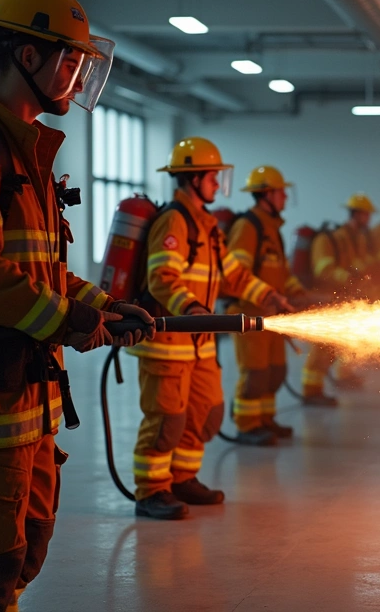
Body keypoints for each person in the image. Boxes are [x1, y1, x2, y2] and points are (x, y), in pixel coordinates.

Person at [0, 0, 154, 610]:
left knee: (17, 558)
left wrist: (100, 305)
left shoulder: (29, 153)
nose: (74, 76)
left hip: (25, 409)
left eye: (78, 64)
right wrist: (69, 321)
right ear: (25, 57)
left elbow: (41, 271)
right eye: (67, 61)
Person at [126, 137, 292, 520]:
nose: (218, 183)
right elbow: (162, 279)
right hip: (168, 343)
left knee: (206, 413)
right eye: (213, 176)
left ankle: (183, 479)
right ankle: (151, 491)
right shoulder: (174, 221)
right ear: (192, 178)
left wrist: (270, 297)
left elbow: (232, 274)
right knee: (167, 419)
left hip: (199, 345)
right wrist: (194, 311)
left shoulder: (209, 226)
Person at [227, 165, 308, 446]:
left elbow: (282, 272)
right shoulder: (248, 227)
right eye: (281, 192)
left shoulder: (273, 230)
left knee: (275, 372)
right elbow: (237, 274)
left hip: (273, 316)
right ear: (267, 195)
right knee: (255, 374)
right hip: (249, 316)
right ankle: (247, 425)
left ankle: (265, 419)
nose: (285, 197)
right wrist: (267, 297)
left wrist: (299, 295)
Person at [300, 192, 376, 404]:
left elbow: (356, 264)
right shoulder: (331, 238)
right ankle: (310, 391)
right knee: (321, 347)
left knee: (331, 347)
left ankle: (317, 389)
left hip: (340, 299)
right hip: (323, 298)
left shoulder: (356, 239)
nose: (369, 219)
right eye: (366, 214)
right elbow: (323, 269)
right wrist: (348, 278)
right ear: (357, 214)